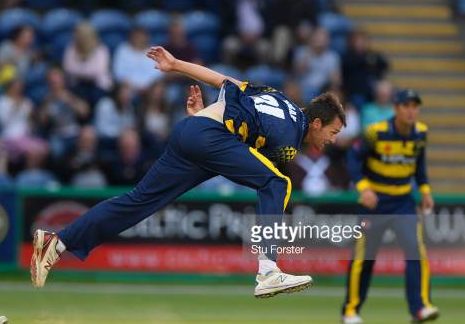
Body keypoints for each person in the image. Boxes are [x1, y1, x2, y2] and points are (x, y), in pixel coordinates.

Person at [31, 46, 345, 298]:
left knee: (137, 201)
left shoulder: (278, 97)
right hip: (209, 139)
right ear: (316, 123)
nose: (331, 141)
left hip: (194, 132)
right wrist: (209, 129)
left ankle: (56, 244)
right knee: (278, 182)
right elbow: (266, 180)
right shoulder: (290, 139)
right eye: (332, 133)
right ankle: (268, 270)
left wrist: (177, 66)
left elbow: (224, 81)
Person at [341, 89, 439, 324]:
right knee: (364, 259)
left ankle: (420, 308)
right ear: (396, 108)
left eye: (415, 106)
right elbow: (353, 159)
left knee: (416, 253)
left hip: (404, 203)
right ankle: (351, 311)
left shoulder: (421, 134)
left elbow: (419, 167)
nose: (411, 110)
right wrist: (364, 188)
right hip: (374, 204)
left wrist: (425, 191)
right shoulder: (376, 133)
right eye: (406, 105)